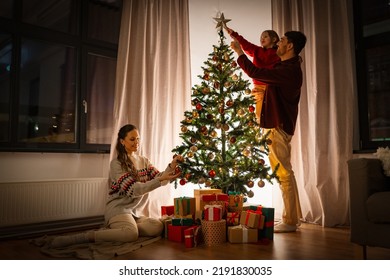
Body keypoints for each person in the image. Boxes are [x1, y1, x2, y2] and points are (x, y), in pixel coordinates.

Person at [51, 124, 183, 248]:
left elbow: (162, 179)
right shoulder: (116, 164)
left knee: (157, 227)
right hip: (118, 209)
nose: (136, 142)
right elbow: (134, 190)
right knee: (131, 234)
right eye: (132, 139)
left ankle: (124, 229)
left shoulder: (144, 161)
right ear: (122, 141)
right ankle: (84, 236)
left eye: (138, 139)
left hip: (134, 212)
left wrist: (173, 165)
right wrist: (160, 179)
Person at [230, 31, 307, 233]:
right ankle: (293, 218)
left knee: (283, 172)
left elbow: (256, 73)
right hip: (276, 124)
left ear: (289, 46)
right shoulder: (284, 67)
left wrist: (239, 52)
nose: (277, 45)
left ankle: (290, 221)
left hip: (278, 127)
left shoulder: (289, 70)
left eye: (281, 41)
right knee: (284, 172)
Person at [224, 25, 280, 124]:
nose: (262, 38)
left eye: (265, 36)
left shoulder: (278, 53)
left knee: (269, 117)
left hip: (271, 88)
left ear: (274, 39)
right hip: (258, 88)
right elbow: (245, 44)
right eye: (261, 37)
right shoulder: (257, 50)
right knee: (258, 116)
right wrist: (233, 34)